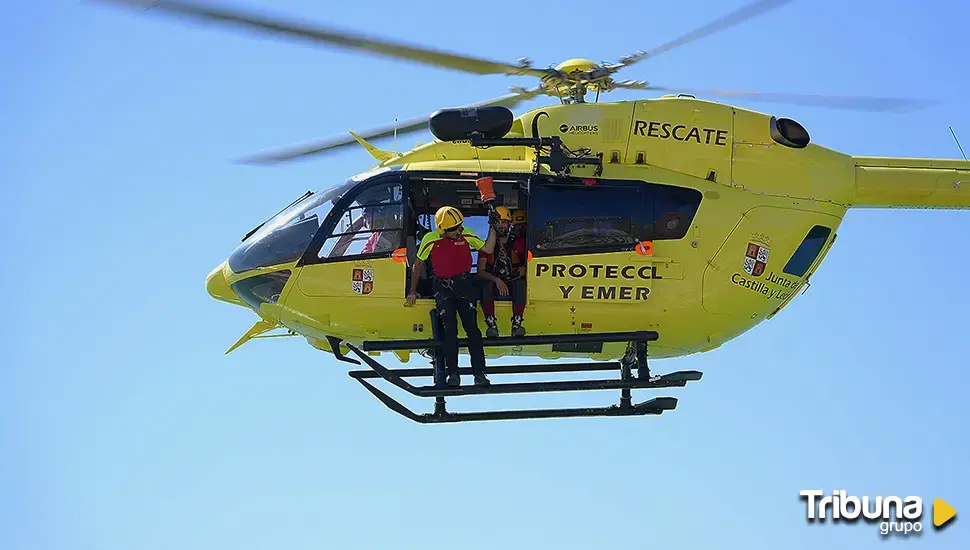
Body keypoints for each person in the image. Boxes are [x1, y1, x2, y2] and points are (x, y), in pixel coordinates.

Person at [406, 205, 496, 387]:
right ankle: (452, 373)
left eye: (460, 226)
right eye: (454, 229)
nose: (459, 230)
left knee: (472, 330)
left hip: (464, 285)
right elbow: (418, 264)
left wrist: (493, 227)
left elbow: (487, 247)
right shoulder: (430, 239)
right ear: (442, 229)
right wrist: (412, 291)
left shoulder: (466, 234)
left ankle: (480, 374)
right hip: (443, 287)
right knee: (449, 330)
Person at [477, 206, 528, 337]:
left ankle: (517, 323)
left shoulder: (519, 243)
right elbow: (481, 271)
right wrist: (496, 280)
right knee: (485, 286)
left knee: (521, 285)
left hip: (513, 280)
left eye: (504, 222)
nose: (501, 226)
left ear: (509, 224)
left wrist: (524, 270)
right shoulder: (485, 246)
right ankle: (491, 323)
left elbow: (530, 263)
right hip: (494, 282)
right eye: (498, 222)